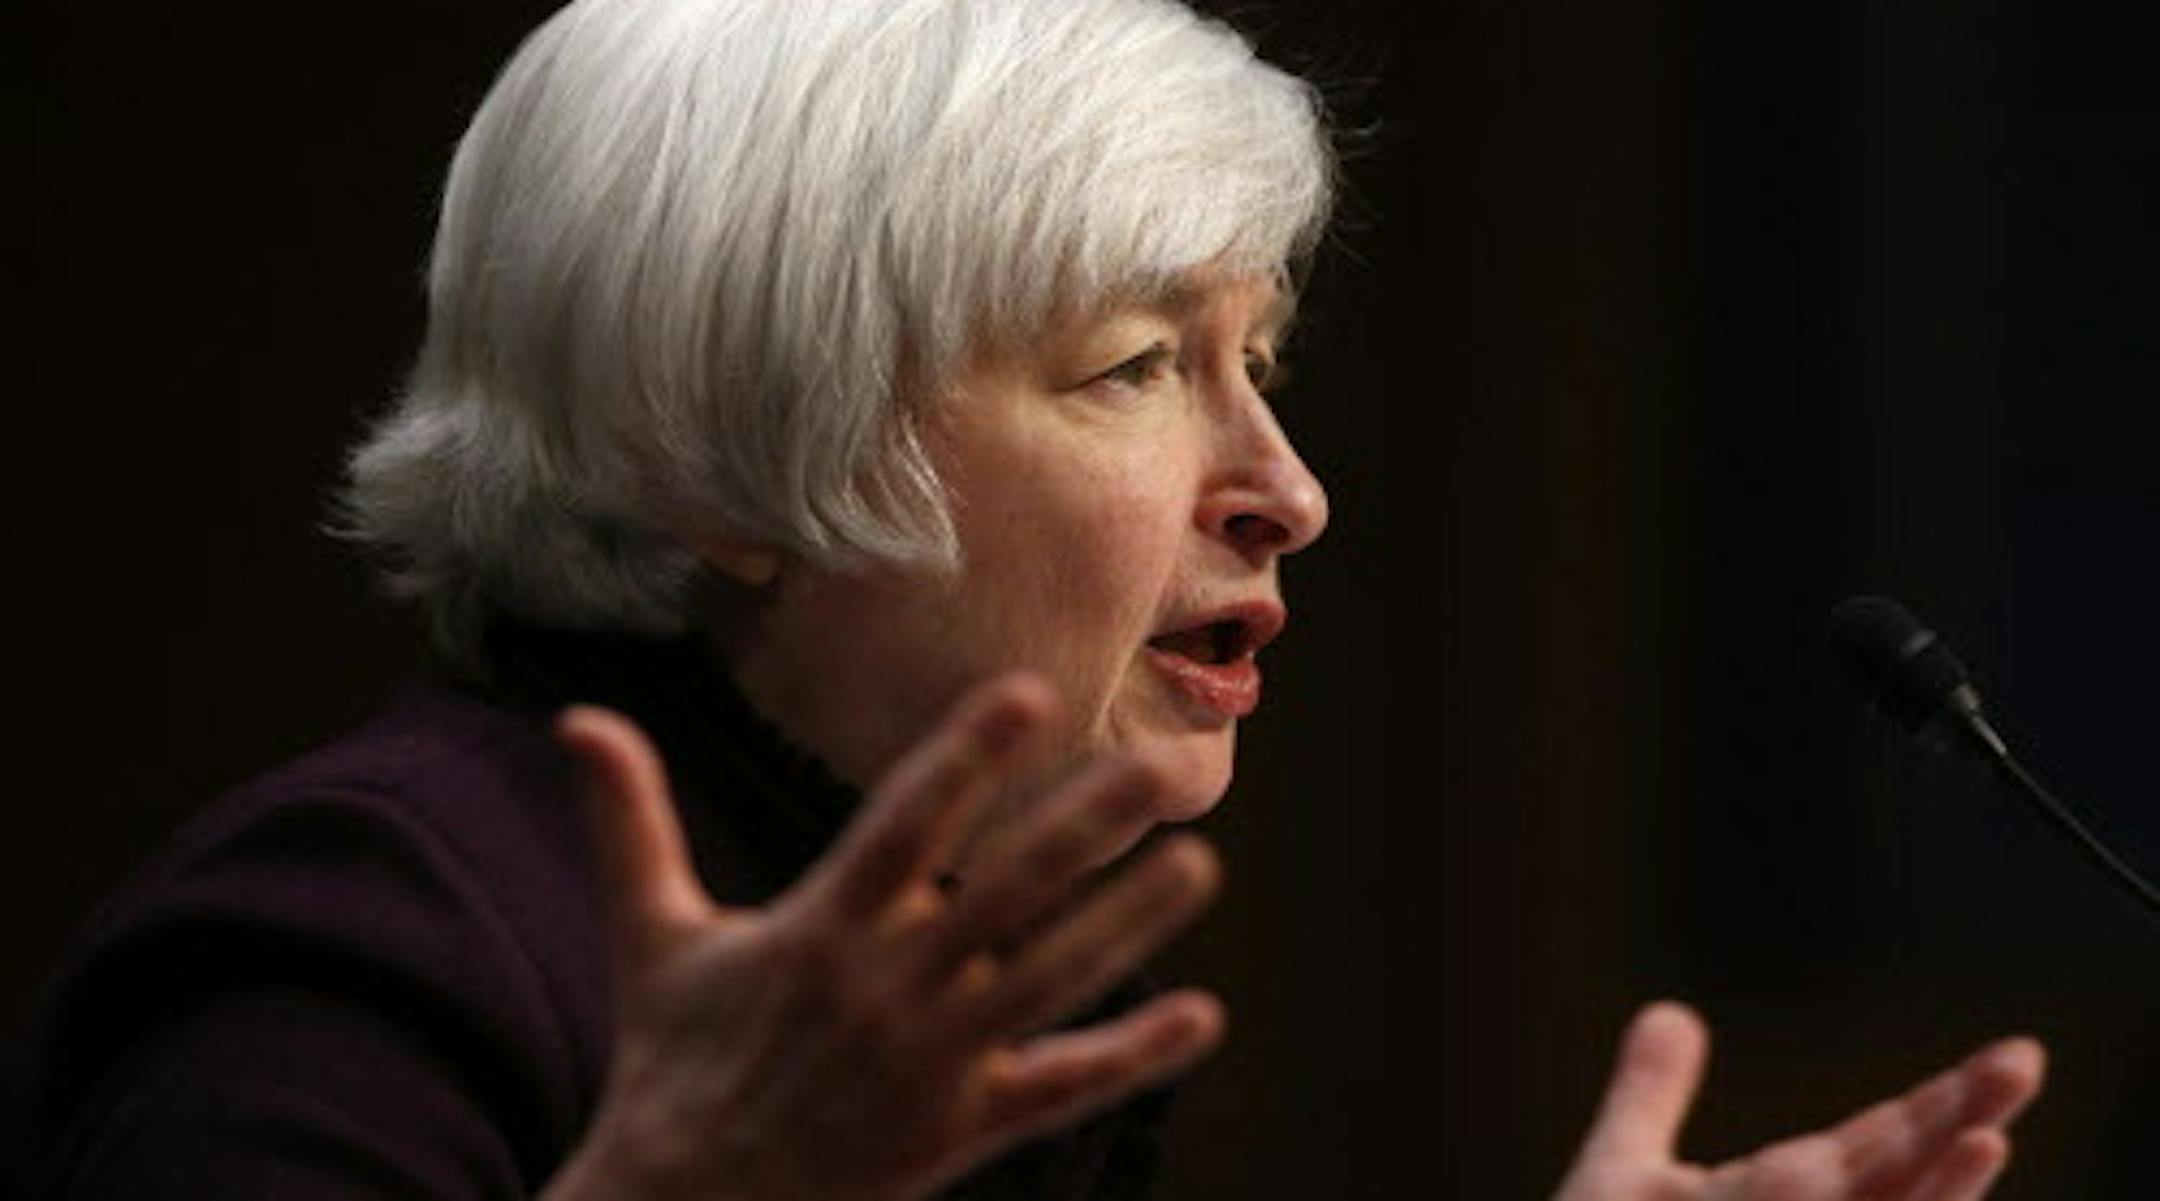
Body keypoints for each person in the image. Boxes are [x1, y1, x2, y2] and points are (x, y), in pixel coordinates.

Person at [5, 1, 2046, 1199]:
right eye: (1137, 367)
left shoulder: (966, 954)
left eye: (1264, 364)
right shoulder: (360, 947)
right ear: (724, 459)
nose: (1292, 491)